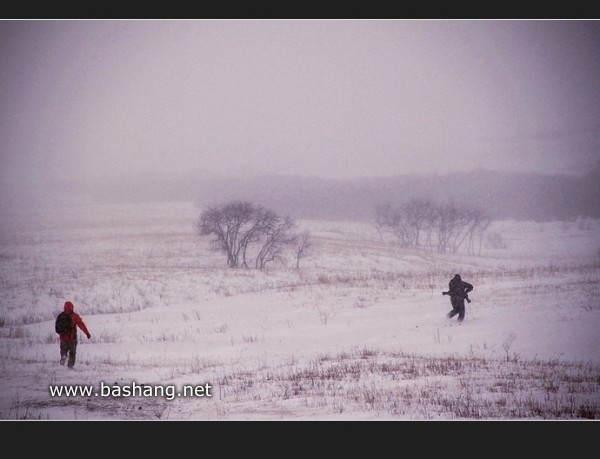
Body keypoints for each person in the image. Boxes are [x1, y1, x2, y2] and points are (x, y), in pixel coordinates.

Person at [57, 301, 91, 369]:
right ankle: (70, 366)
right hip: (72, 338)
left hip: (63, 338)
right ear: (72, 307)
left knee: (63, 350)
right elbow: (81, 325)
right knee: (72, 353)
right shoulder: (75, 316)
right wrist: (87, 333)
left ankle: (63, 356)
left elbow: (57, 327)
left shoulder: (61, 315)